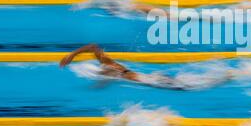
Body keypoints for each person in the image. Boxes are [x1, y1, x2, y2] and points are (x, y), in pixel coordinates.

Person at [59, 44, 237, 90]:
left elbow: (93, 47)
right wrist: (72, 55)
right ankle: (226, 75)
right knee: (192, 84)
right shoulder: (109, 68)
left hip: (153, 81)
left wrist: (72, 55)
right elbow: (93, 48)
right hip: (152, 80)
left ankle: (228, 76)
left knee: (191, 86)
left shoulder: (111, 67)